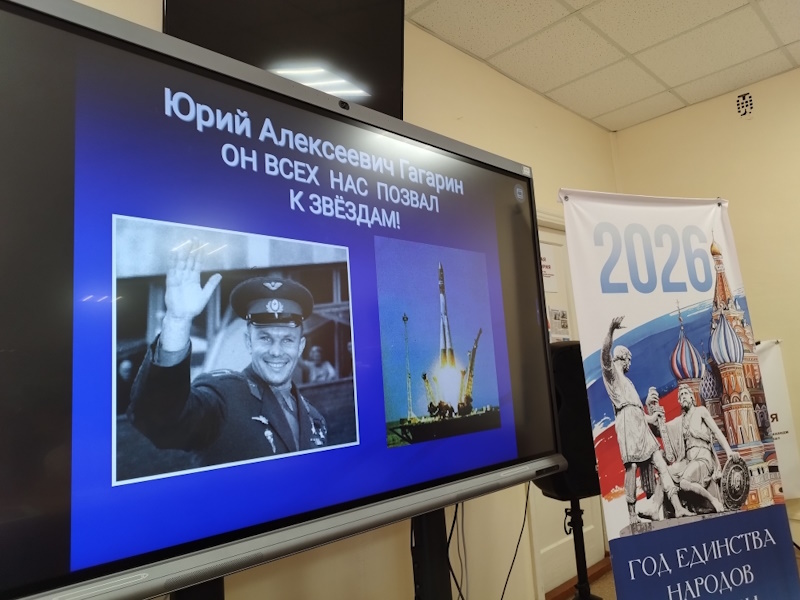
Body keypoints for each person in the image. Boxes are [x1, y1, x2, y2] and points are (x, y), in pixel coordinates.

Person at [128, 242, 327, 468]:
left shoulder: (315, 418)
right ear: (248, 342)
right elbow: (163, 422)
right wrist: (177, 321)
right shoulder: (223, 396)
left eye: (287, 340)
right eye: (265, 338)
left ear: (300, 346)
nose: (275, 351)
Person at [601, 316, 690, 524]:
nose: (630, 364)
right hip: (627, 425)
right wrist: (611, 329)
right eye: (629, 360)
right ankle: (632, 514)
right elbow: (604, 353)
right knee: (631, 466)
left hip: (640, 425)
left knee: (660, 460)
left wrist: (652, 417)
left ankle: (677, 507)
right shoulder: (612, 375)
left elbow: (639, 413)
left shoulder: (629, 383)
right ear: (623, 358)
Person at [666, 384, 739, 513]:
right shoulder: (680, 421)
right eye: (681, 395)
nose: (683, 397)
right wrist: (651, 412)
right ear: (679, 401)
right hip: (688, 461)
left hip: (703, 458)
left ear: (691, 397)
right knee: (665, 472)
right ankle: (661, 508)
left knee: (684, 483)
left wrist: (729, 451)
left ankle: (713, 500)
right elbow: (662, 428)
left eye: (685, 394)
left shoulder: (700, 411)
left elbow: (716, 432)